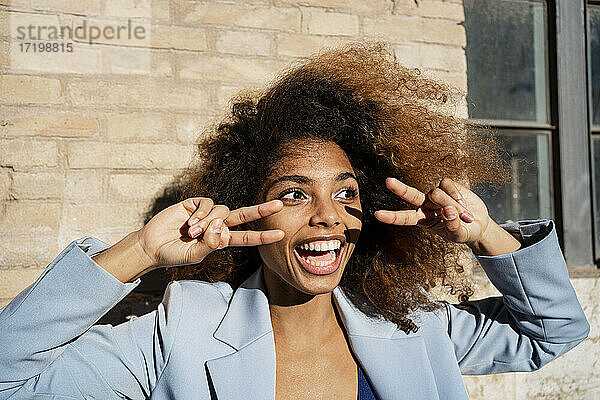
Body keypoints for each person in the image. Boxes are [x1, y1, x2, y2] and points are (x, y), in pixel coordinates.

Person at [0, 42, 589, 400]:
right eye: (294, 193)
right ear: (247, 207)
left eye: (345, 193)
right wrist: (141, 251)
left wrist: (484, 234)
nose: (330, 216)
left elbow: (554, 333)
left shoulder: (415, 326)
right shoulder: (179, 334)